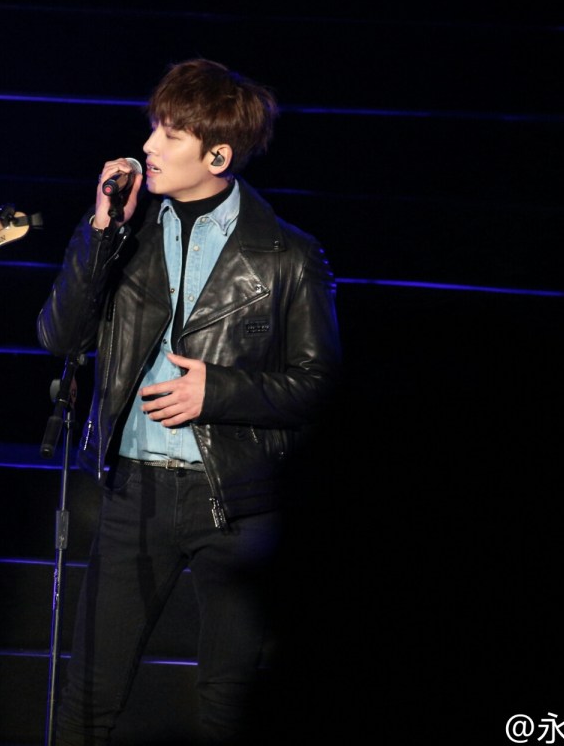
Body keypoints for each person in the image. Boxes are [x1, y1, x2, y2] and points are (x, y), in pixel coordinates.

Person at [36, 58, 342, 745]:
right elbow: (60, 336)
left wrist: (220, 390)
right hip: (135, 493)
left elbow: (321, 383)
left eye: (170, 134)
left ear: (218, 155)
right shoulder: (125, 234)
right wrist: (100, 229)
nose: (148, 146)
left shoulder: (288, 256)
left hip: (237, 500)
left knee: (229, 703)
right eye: (154, 128)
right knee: (87, 698)